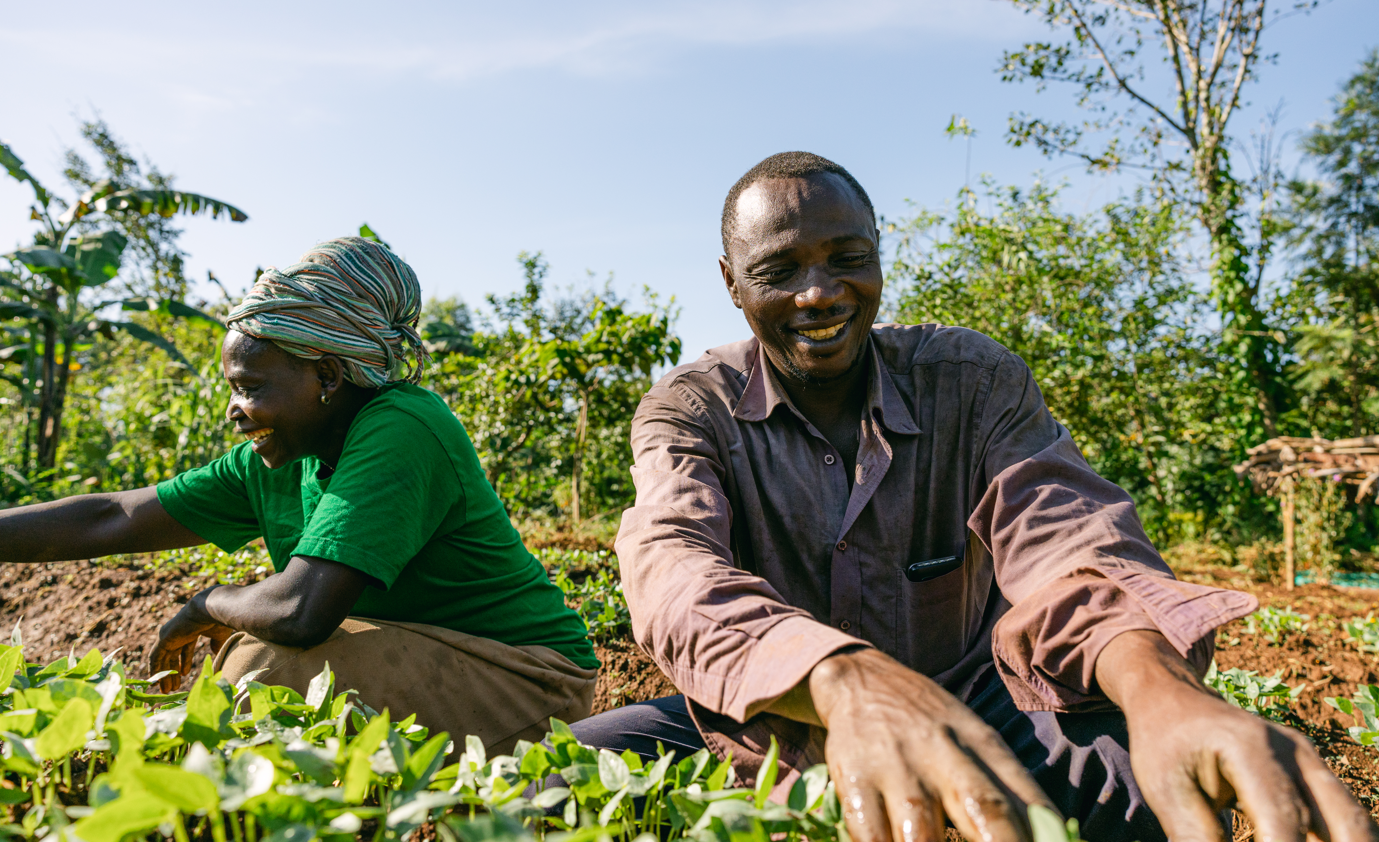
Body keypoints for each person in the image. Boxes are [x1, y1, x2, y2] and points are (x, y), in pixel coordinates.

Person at [571, 153, 1376, 842]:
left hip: (976, 694)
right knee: (551, 784)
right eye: (779, 271)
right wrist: (843, 678)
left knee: (1134, 775)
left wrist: (1158, 686)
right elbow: (674, 569)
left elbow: (1064, 537)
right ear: (731, 284)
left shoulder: (971, 380)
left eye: (846, 258)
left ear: (879, 257)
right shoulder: (690, 406)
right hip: (774, 712)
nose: (819, 294)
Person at [0, 236, 599, 754]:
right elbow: (114, 518)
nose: (235, 411)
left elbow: (300, 612)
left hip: (528, 681)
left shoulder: (405, 426)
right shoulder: (282, 455)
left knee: (269, 671)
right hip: (427, 656)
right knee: (261, 673)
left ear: (328, 377)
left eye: (250, 387)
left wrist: (206, 602)